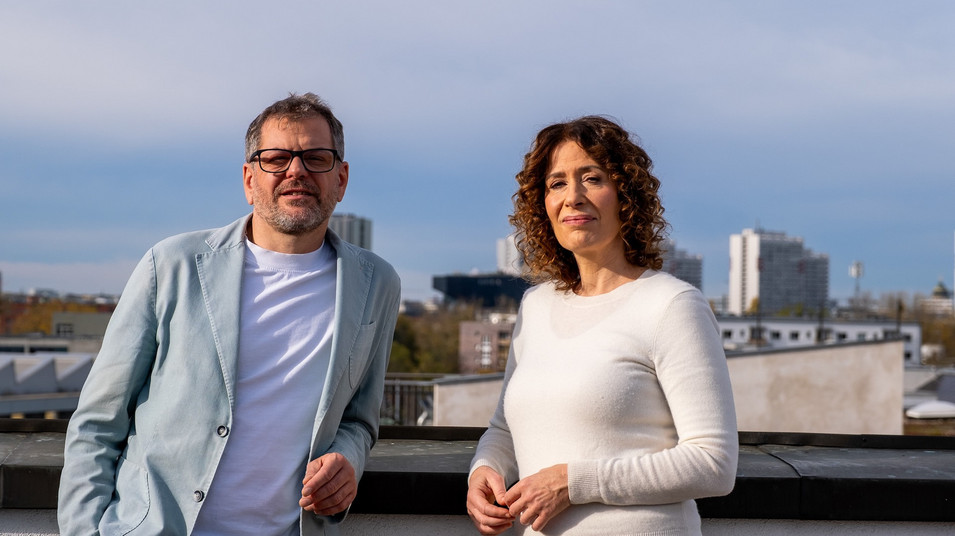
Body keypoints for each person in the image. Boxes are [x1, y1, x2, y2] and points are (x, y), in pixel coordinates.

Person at [58, 93, 401, 536]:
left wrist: (348, 459)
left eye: (316, 158)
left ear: (341, 178)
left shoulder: (377, 283)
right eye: (276, 159)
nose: (295, 171)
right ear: (248, 179)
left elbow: (358, 419)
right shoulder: (171, 265)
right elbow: (97, 423)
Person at [466, 116, 738, 535]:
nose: (572, 197)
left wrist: (573, 483)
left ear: (626, 195)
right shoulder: (536, 305)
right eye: (556, 183)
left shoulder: (672, 305)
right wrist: (484, 469)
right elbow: (504, 428)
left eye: (591, 178)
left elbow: (713, 464)